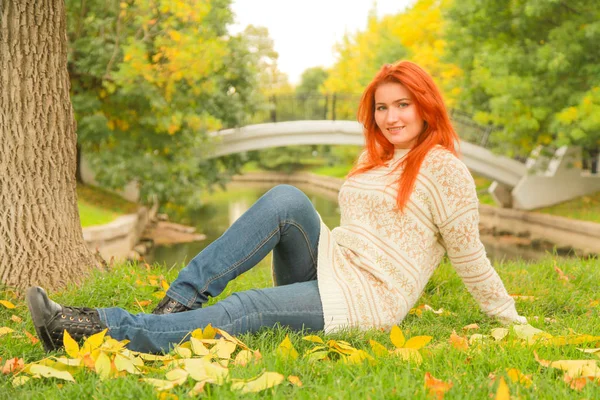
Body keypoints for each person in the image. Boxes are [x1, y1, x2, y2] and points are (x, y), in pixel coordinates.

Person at [26, 61, 526, 354]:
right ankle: (177, 305)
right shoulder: (373, 158)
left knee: (248, 308)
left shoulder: (444, 169)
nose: (391, 117)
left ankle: (90, 328)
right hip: (331, 266)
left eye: (403, 104)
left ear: (425, 105)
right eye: (382, 106)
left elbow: (470, 257)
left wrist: (512, 321)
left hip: (367, 299)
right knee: (287, 198)